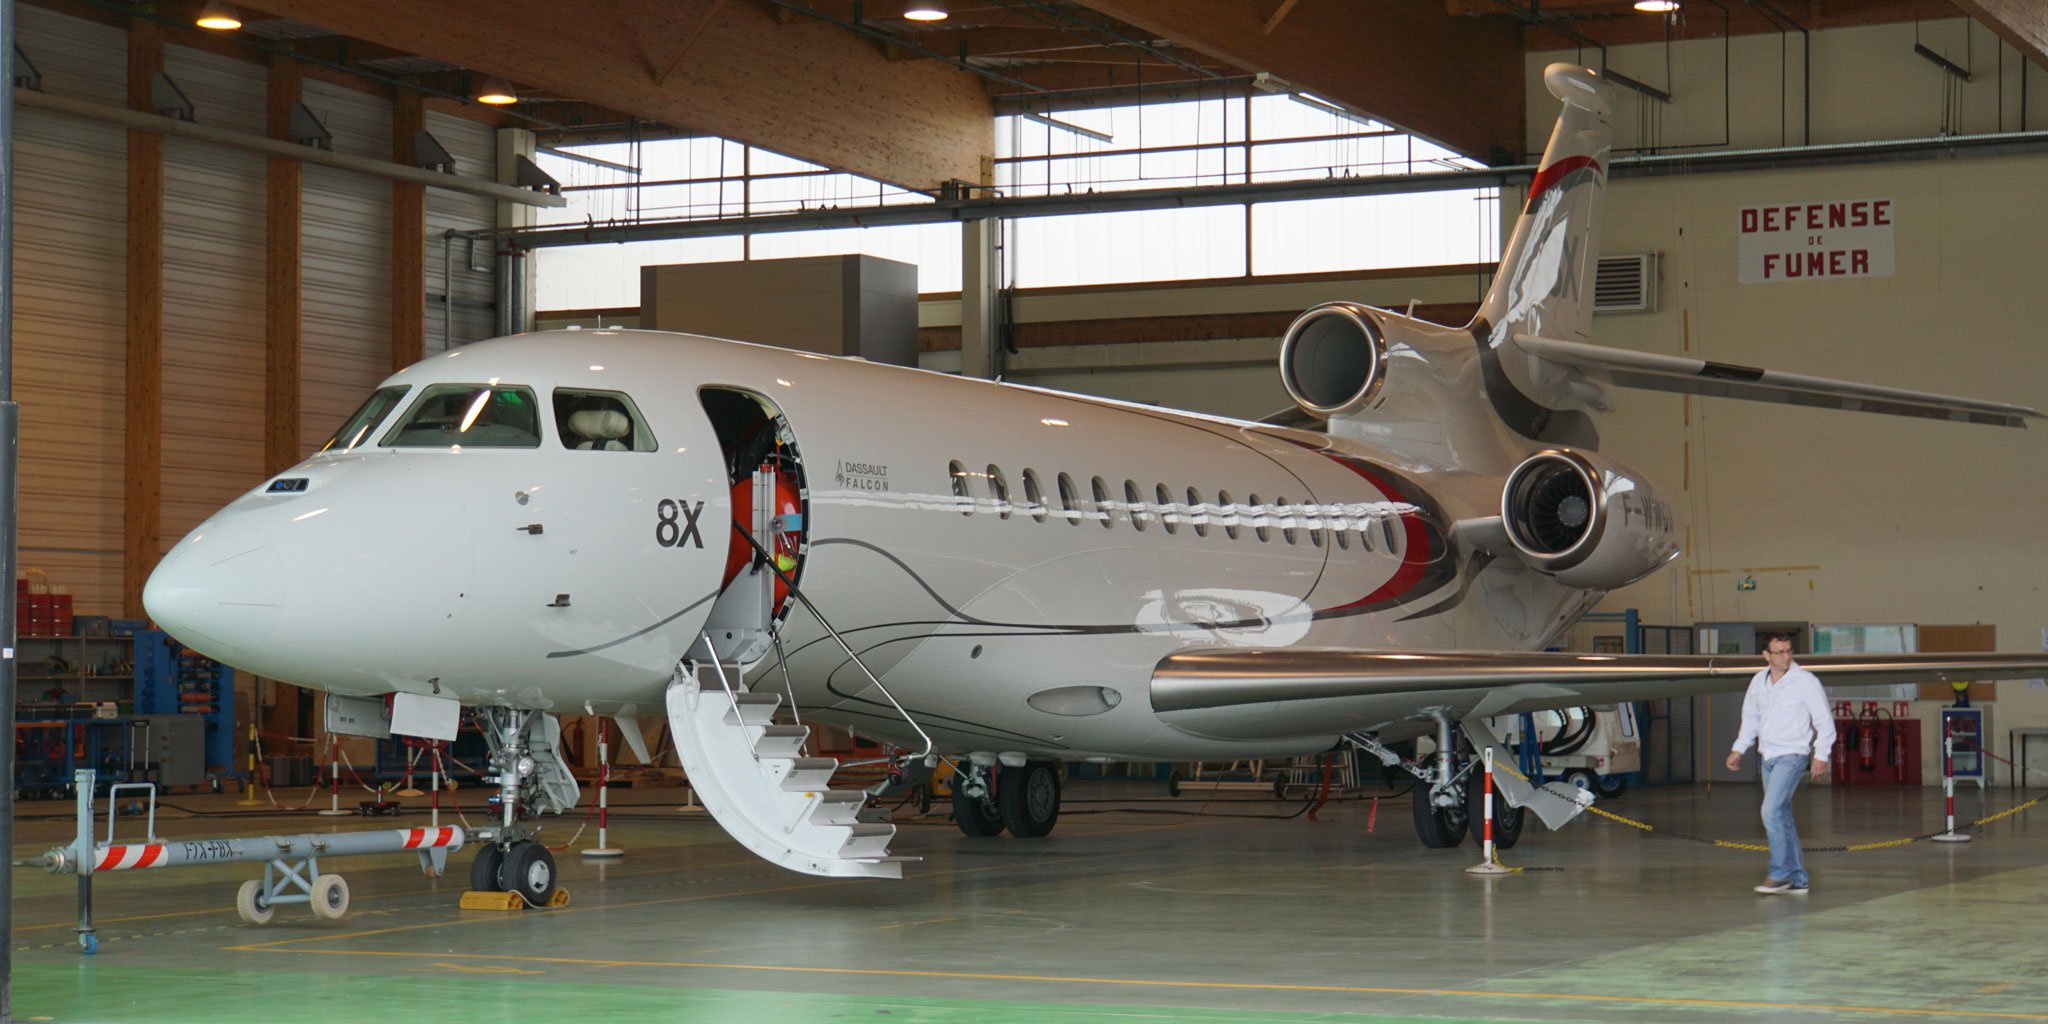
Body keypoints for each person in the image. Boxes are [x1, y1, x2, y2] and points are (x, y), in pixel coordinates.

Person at [1724, 633, 1835, 895]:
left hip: (1793, 755)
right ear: (1767, 655)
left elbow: (1824, 721)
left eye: (1788, 651)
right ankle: (1798, 878)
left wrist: (1821, 754)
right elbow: (1750, 718)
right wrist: (1738, 749)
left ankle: (1779, 874)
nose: (1786, 656)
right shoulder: (1758, 682)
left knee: (1770, 812)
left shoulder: (1805, 682)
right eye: (1780, 652)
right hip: (1769, 757)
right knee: (1782, 816)